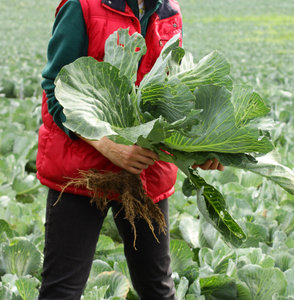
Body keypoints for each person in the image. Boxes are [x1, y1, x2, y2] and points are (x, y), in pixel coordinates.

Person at [36, 0, 223, 299]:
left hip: (144, 173)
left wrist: (200, 150)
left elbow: (169, 95)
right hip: (82, 171)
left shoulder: (169, 11)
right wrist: (107, 145)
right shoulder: (81, 6)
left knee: (156, 287)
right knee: (63, 289)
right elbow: (57, 87)